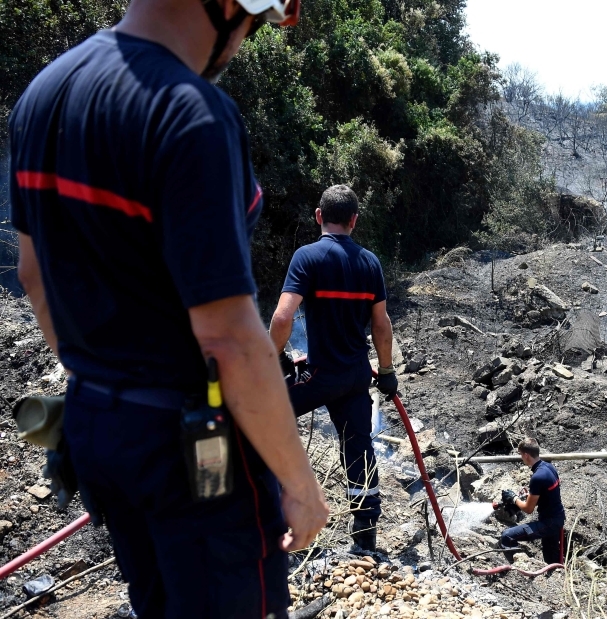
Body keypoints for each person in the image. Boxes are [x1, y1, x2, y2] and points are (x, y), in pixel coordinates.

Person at [9, 0, 329, 616]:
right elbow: (230, 340)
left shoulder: (43, 94)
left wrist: (111, 385)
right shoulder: (191, 114)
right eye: (255, 23)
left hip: (96, 427)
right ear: (229, 8)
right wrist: (299, 483)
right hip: (194, 457)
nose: (243, 42)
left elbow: (33, 277)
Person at [268, 184, 396, 553]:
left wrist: (274, 357)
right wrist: (386, 371)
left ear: (319, 216)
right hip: (356, 375)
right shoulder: (370, 262)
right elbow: (381, 324)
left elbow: (282, 316)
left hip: (321, 375)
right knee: (359, 449)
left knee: (263, 420)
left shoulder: (307, 257)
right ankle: (365, 538)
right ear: (354, 221)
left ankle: (275, 519)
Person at [497, 438, 566, 565]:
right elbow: (548, 493)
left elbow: (528, 509)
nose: (521, 458)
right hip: (557, 518)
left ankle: (516, 570)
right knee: (551, 560)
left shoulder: (537, 477)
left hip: (549, 523)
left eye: (521, 455)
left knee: (507, 536)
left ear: (526, 455)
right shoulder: (549, 467)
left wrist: (514, 498)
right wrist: (529, 495)